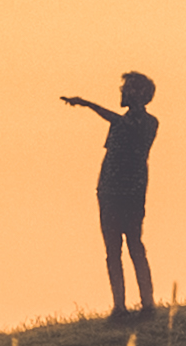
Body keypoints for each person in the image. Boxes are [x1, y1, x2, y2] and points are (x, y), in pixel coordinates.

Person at [61, 72, 160, 317]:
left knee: (134, 246)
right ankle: (119, 306)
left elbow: (119, 123)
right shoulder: (124, 122)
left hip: (130, 193)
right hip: (109, 191)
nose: (122, 93)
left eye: (127, 89)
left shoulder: (148, 123)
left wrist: (87, 104)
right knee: (112, 250)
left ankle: (147, 304)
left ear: (139, 94)